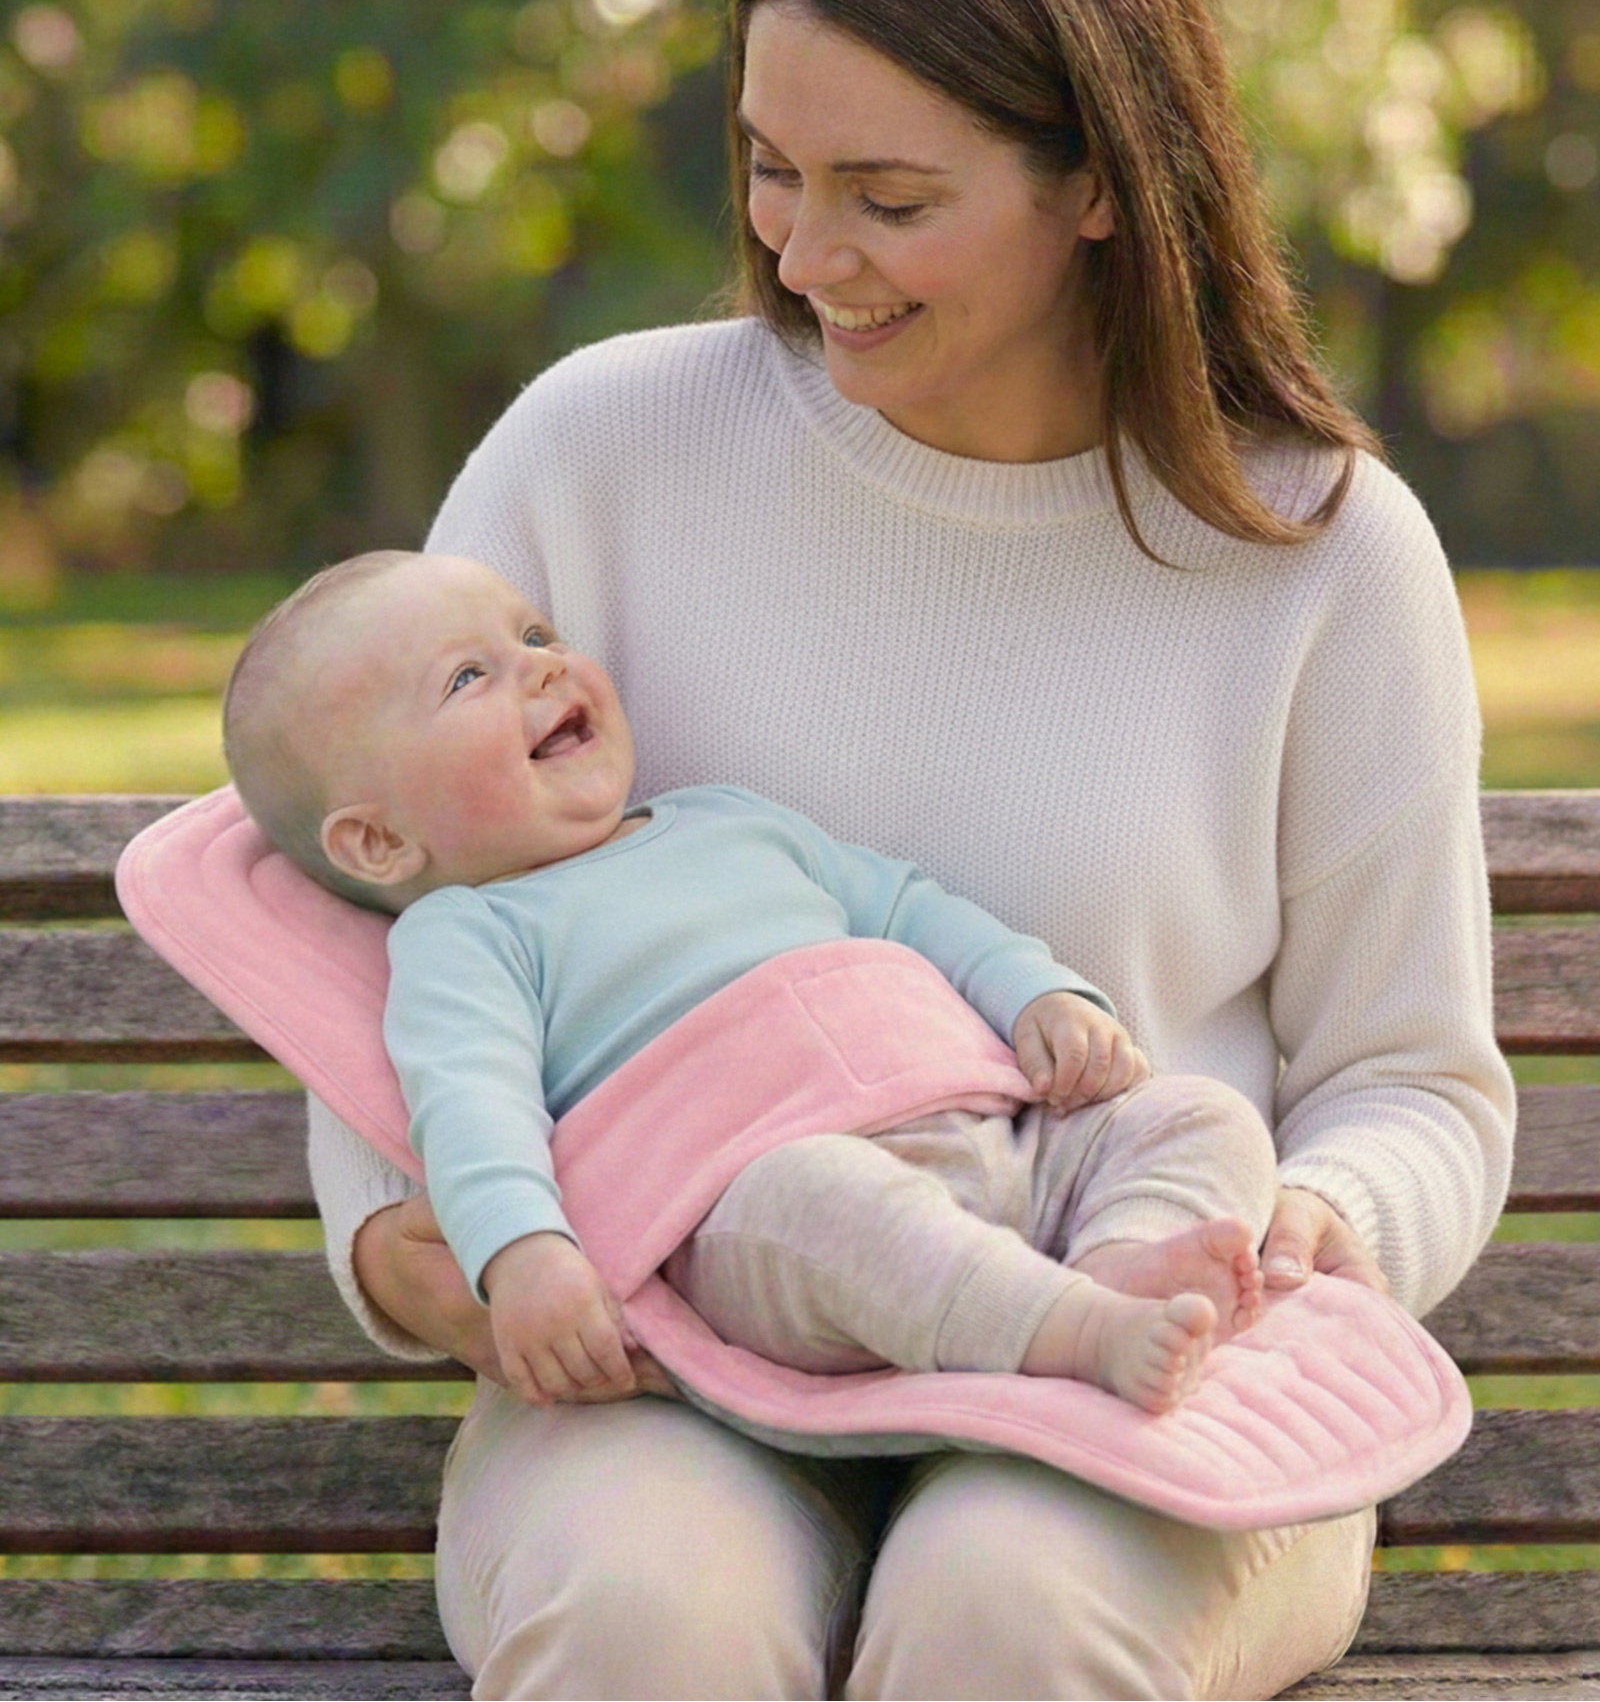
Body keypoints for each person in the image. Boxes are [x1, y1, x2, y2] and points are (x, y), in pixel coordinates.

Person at [303, 0, 1515, 1699]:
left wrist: (1288, 1233)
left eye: (892, 198)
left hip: (1145, 1351)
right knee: (647, 1612)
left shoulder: (1321, 556)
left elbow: (1417, 1086)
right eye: (772, 168)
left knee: (1004, 1606)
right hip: (683, 1344)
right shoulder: (595, 451)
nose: (803, 254)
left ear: (1102, 177)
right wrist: (411, 1251)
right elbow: (387, 963)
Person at [224, 547, 1275, 1418]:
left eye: (535, 637)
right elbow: (470, 1105)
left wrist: (1041, 995)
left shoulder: (728, 820)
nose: (540, 669)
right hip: (759, 1212)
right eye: (468, 679)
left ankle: (1117, 1262)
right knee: (831, 1205)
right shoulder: (471, 933)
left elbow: (909, 909)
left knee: (1198, 1114)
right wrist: (523, 1254)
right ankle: (1077, 1332)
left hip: (997, 1141)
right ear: (375, 841)